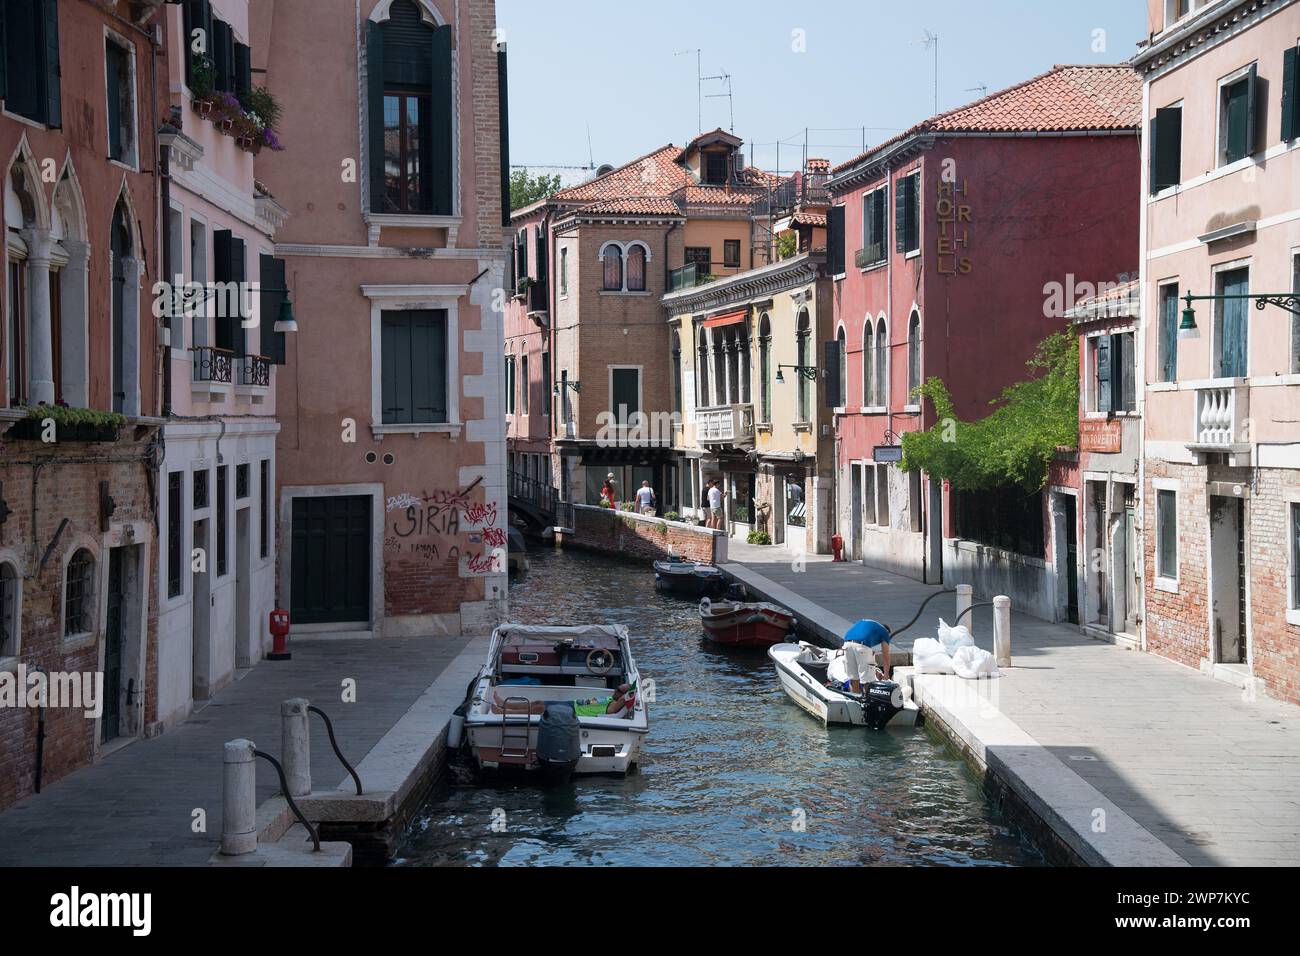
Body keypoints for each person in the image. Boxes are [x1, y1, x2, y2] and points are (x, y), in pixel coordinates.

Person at [842, 618, 892, 689]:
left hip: (847, 645)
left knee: (853, 679)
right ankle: (867, 699)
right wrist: (886, 674)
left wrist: (875, 672)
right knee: (867, 681)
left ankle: (856, 698)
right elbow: (885, 655)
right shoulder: (885, 632)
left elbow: (862, 661)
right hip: (861, 646)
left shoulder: (870, 624)